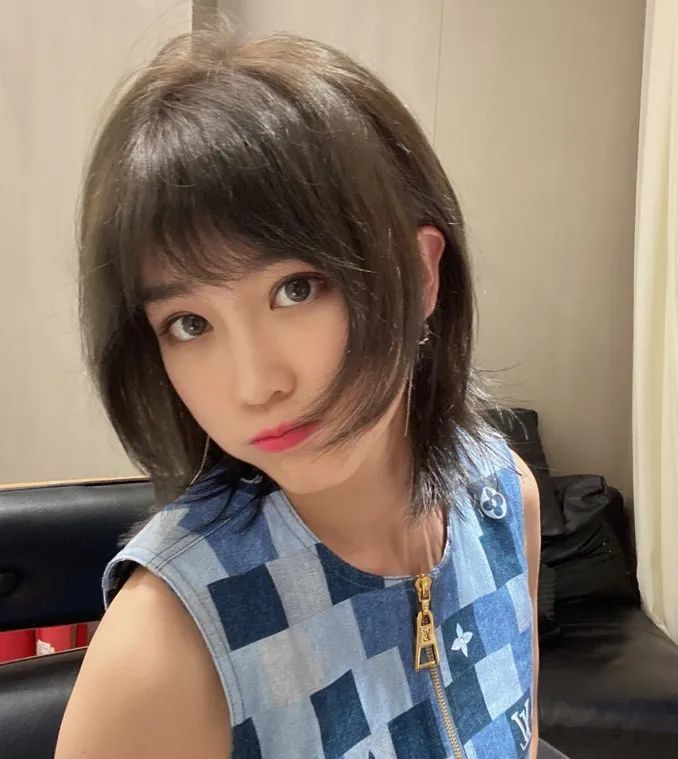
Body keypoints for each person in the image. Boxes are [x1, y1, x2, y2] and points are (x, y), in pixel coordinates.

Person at [56, 26, 541, 759]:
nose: (255, 385)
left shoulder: (505, 499)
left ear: (421, 275)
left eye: (297, 288)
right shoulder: (164, 647)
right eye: (190, 324)